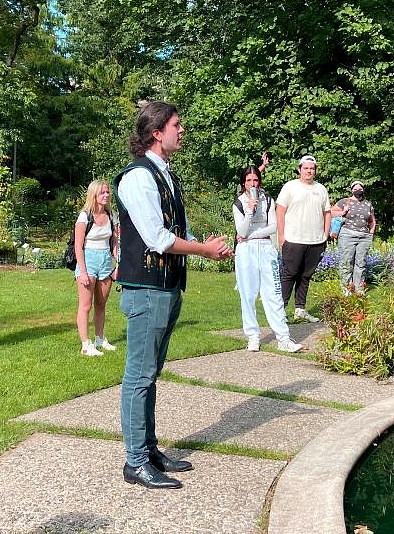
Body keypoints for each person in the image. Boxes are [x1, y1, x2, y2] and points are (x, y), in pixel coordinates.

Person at [113, 101, 232, 490]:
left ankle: (148, 450)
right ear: (156, 132)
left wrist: (203, 243)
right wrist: (203, 251)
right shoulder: (137, 178)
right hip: (146, 289)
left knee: (150, 374)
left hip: (165, 288)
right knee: (139, 377)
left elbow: (174, 229)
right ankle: (135, 462)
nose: (182, 131)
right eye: (177, 125)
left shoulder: (165, 176)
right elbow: (158, 239)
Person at [233, 166, 303, 352]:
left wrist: (252, 235)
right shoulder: (239, 203)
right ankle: (253, 336)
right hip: (245, 251)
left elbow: (273, 227)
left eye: (255, 180)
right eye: (248, 180)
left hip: (265, 248)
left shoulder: (268, 200)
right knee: (247, 294)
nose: (252, 184)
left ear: (259, 181)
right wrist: (249, 211)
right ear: (243, 183)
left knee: (273, 293)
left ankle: (283, 337)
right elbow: (241, 231)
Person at [276, 155, 331, 323]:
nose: (309, 171)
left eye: (312, 168)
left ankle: (300, 309)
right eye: (306, 168)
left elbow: (327, 212)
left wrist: (325, 235)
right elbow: (280, 210)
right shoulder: (290, 187)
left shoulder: (320, 189)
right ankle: (280, 311)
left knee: (306, 276)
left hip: (315, 241)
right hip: (293, 239)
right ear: (300, 169)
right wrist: (281, 235)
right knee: (290, 274)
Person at [73, 180, 118, 357]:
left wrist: (118, 263)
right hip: (88, 260)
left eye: (107, 192)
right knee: (85, 305)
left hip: (106, 260)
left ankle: (100, 339)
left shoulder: (111, 215)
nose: (106, 195)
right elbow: (78, 246)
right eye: (102, 193)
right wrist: (83, 272)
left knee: (101, 303)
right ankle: (86, 345)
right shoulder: (85, 216)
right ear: (94, 195)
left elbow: (114, 241)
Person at [331, 180, 376, 295]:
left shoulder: (368, 204)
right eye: (355, 189)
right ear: (351, 190)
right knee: (346, 262)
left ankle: (359, 288)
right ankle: (346, 288)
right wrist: (343, 211)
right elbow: (330, 212)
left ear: (363, 189)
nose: (358, 190)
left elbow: (372, 221)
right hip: (347, 235)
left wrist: (371, 233)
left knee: (361, 263)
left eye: (360, 188)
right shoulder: (345, 202)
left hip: (364, 237)